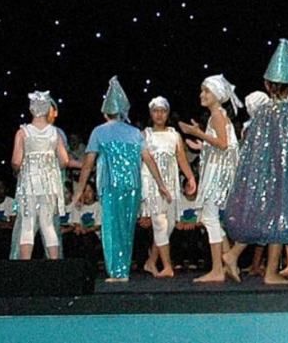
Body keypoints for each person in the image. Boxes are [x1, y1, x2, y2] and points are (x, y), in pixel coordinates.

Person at [223, 39, 288, 285]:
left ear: (266, 84)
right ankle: (268, 272)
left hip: (265, 176)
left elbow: (253, 149)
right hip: (284, 177)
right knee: (280, 221)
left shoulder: (262, 114)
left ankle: (233, 255)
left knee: (269, 221)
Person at [74, 77, 171, 282]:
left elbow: (88, 164)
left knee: (111, 227)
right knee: (126, 228)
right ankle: (122, 270)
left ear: (105, 111)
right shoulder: (135, 132)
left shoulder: (99, 132)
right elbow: (149, 160)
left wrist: (79, 190)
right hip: (133, 186)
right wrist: (161, 185)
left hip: (110, 186)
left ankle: (117, 271)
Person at [178, 75, 241, 283]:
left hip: (218, 173)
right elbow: (225, 145)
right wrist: (202, 145)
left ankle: (217, 269)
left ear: (216, 94)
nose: (202, 94)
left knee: (210, 217)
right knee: (210, 217)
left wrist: (198, 133)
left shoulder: (217, 116)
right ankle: (229, 261)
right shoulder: (218, 115)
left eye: (206, 91)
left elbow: (222, 144)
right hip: (219, 169)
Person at [10, 91, 79, 260]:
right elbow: (64, 160)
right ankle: (54, 265)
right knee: (47, 224)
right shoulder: (54, 133)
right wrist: (49, 163)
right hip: (49, 184)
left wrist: (20, 168)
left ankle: (24, 266)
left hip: (29, 182)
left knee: (28, 223)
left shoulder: (23, 132)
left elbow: (16, 161)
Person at [141, 96, 196, 278]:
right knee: (159, 223)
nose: (159, 114)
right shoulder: (145, 135)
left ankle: (151, 262)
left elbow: (181, 158)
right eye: (156, 111)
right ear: (151, 113)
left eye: (163, 111)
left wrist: (190, 177)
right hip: (151, 183)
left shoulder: (174, 135)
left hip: (171, 182)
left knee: (169, 224)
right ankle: (167, 265)